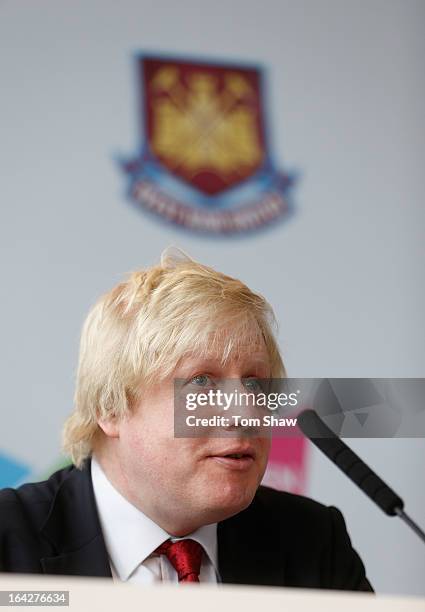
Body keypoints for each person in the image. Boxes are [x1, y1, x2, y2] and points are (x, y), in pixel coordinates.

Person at [0, 249, 373, 590]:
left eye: (255, 382)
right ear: (111, 407)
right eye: (201, 381)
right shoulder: (9, 539)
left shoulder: (313, 540)